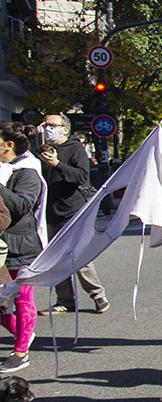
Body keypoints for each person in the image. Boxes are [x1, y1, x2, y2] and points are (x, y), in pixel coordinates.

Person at [35, 113, 108, 315]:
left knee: (78, 256)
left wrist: (57, 164)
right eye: (45, 125)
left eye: (52, 125)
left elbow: (82, 176)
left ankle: (98, 295)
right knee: (56, 259)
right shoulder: (42, 150)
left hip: (71, 211)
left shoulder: (75, 148)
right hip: (49, 212)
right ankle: (65, 300)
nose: (47, 128)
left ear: (65, 129)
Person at [0, 125, 45, 372]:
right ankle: (23, 333)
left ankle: (20, 352)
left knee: (22, 298)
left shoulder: (27, 171)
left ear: (8, 145)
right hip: (1, 246)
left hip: (21, 246)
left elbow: (22, 205)